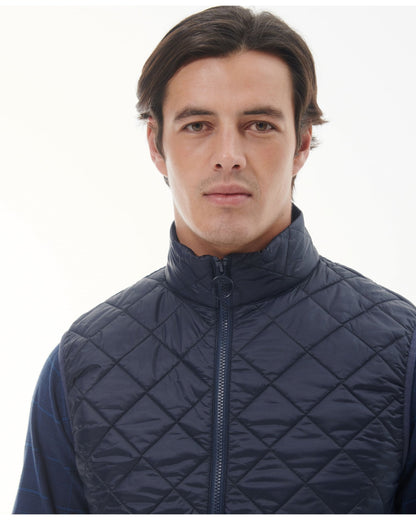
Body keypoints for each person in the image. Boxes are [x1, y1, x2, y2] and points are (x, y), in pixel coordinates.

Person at [13, 5, 416, 514]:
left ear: (302, 143)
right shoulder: (82, 362)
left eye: (259, 125)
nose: (229, 154)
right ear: (156, 144)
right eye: (198, 124)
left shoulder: (403, 353)